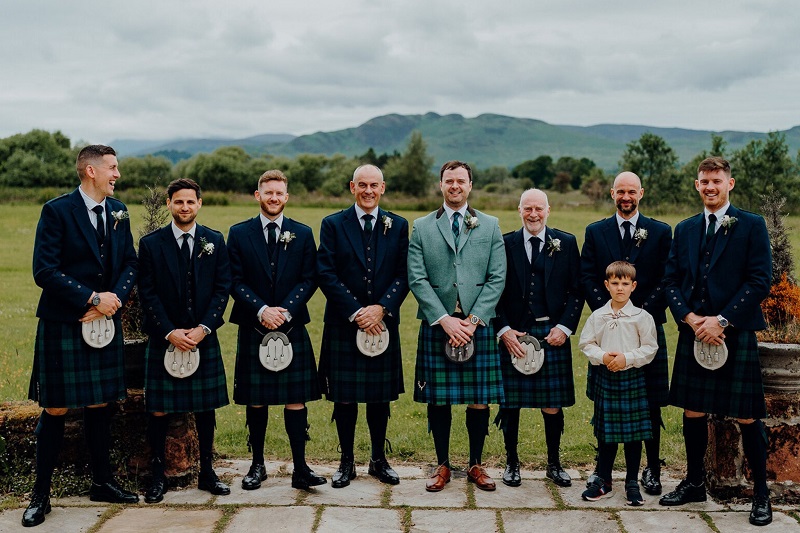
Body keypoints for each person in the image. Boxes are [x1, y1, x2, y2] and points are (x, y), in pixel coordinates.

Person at [24, 145, 139, 527]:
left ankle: (103, 482)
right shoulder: (57, 211)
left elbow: (129, 263)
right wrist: (91, 297)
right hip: (65, 323)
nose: (117, 174)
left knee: (101, 404)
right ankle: (40, 495)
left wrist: (114, 299)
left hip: (104, 322)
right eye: (112, 168)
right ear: (90, 171)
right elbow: (44, 269)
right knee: (55, 407)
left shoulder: (119, 211)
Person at [659, 157, 773, 526]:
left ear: (730, 184)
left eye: (717, 181)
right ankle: (694, 483)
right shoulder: (686, 228)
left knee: (746, 414)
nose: (710, 187)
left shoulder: (752, 225)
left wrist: (721, 320)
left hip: (733, 332)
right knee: (692, 408)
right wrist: (692, 319)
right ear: (697, 185)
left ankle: (761, 494)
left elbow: (760, 281)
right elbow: (671, 281)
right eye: (704, 181)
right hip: (694, 332)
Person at [408, 160, 506, 492]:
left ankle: (476, 464)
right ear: (441, 185)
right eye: (449, 181)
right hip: (439, 324)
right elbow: (416, 278)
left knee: (479, 399)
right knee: (439, 399)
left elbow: (497, 277)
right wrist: (445, 319)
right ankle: (442, 465)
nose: (455, 186)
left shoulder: (490, 225)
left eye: (460, 181)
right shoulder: (421, 226)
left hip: (477, 324)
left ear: (470, 185)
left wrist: (474, 321)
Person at [227, 170, 326, 491]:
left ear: (287, 196)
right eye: (267, 193)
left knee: (295, 398)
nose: (273, 198)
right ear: (258, 195)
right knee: (256, 399)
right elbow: (234, 280)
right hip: (254, 326)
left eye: (279, 193)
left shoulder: (302, 232)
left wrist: (285, 309)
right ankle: (257, 465)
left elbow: (310, 278)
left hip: (291, 323)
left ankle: (300, 467)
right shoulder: (239, 234)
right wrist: (261, 310)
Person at [137, 178, 232, 503]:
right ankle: (158, 476)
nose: (185, 207)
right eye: (178, 202)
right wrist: (168, 331)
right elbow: (147, 292)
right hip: (166, 337)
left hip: (202, 337)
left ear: (199, 204)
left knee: (205, 409)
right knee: (160, 411)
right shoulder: (151, 244)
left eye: (190, 202)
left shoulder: (215, 241)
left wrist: (204, 328)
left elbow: (222, 289)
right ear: (169, 204)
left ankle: (207, 472)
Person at [317, 164, 410, 488]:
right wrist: (357, 312)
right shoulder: (333, 224)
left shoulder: (397, 225)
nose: (368, 190)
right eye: (362, 185)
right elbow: (326, 273)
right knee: (344, 397)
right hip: (346, 323)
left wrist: (382, 309)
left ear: (382, 188)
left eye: (374, 185)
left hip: (382, 324)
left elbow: (404, 273)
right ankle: (346, 462)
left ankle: (378, 460)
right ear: (352, 187)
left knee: (379, 397)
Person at [580, 171, 672, 495]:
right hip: (607, 328)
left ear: (641, 193)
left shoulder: (660, 232)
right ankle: (602, 471)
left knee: (650, 403)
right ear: (612, 193)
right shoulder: (596, 231)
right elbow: (587, 275)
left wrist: (638, 311)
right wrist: (608, 311)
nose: (626, 197)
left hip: (645, 325)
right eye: (621, 191)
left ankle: (652, 470)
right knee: (605, 406)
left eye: (632, 191)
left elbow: (666, 278)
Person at [494, 188, 583, 488]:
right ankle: (511, 462)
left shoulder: (567, 242)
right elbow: (495, 291)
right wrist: (504, 329)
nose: (533, 214)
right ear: (519, 210)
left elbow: (576, 291)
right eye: (528, 209)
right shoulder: (505, 243)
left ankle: (554, 463)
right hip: (516, 334)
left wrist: (565, 327)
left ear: (548, 210)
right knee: (511, 404)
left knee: (552, 403)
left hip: (551, 333)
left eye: (539, 209)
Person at [579, 261, 658, 506]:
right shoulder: (598, 315)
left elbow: (650, 348)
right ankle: (603, 479)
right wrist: (603, 357)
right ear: (607, 285)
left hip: (631, 376)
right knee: (607, 433)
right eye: (615, 283)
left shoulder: (642, 317)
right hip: (606, 376)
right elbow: (586, 343)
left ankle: (632, 482)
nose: (620, 288)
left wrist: (626, 359)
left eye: (625, 284)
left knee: (633, 434)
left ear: (633, 286)